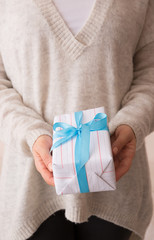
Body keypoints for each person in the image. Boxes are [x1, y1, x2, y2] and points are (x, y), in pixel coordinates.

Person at [0, 0, 153, 239]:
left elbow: (150, 74)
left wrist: (132, 123)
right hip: (30, 189)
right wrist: (31, 133)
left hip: (117, 183)